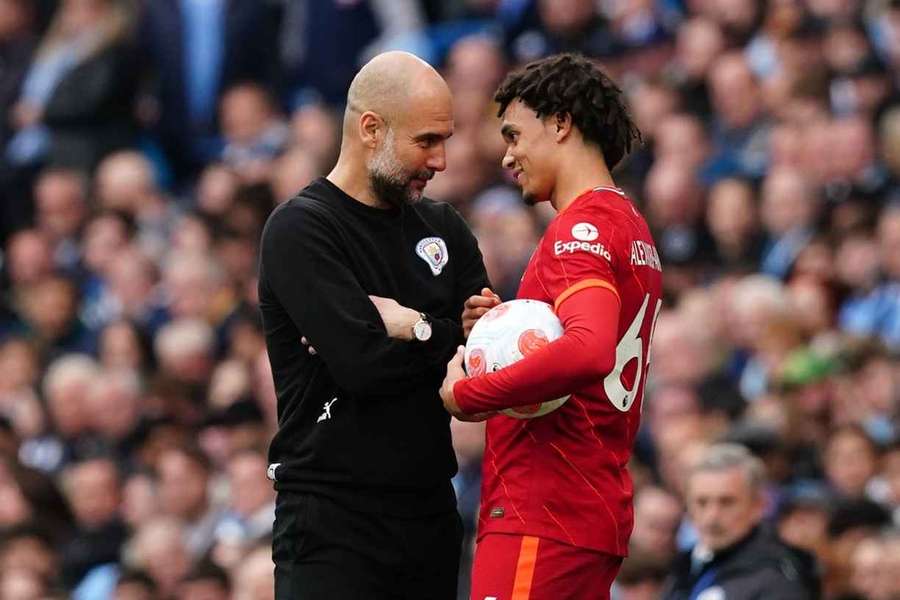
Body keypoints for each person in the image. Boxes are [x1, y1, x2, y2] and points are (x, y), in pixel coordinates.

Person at [258, 51, 491, 598]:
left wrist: (414, 327)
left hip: (430, 512)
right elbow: (361, 366)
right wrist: (444, 335)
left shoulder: (444, 226)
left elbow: (484, 355)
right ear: (371, 129)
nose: (440, 161)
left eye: (446, 141)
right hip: (333, 521)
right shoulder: (302, 230)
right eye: (426, 141)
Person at [440, 52, 661, 599]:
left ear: (561, 122)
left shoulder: (578, 228)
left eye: (515, 135)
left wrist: (470, 394)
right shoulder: (627, 225)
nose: (508, 155)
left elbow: (588, 351)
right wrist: (498, 329)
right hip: (583, 506)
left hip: (544, 510)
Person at [660, 443, 820, 599]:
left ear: (758, 506)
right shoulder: (684, 567)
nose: (712, 516)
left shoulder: (779, 577)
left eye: (727, 502)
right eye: (701, 502)